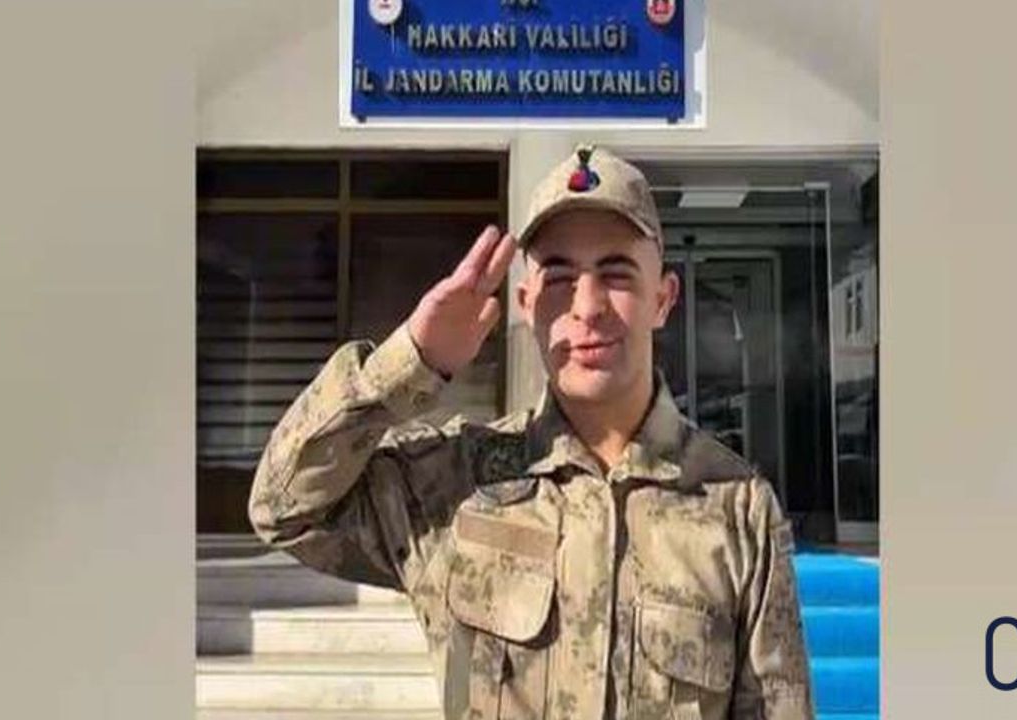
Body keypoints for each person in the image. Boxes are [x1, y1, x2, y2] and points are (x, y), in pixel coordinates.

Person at [248, 145, 814, 720]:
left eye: (616, 273)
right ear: (525, 303)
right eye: (559, 277)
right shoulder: (452, 482)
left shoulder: (736, 509)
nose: (587, 307)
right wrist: (411, 362)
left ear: (663, 299)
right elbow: (282, 508)